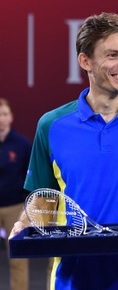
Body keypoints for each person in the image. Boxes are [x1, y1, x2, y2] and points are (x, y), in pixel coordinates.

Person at [9, 13, 118, 290]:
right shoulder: (51, 125)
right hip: (71, 278)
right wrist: (24, 223)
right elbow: (44, 199)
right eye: (113, 55)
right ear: (85, 61)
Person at [0, 98, 32, 290]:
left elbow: (30, 176)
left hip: (14, 208)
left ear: (11, 117)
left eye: (4, 114)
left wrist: (25, 208)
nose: (0, 119)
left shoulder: (22, 144)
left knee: (18, 259)